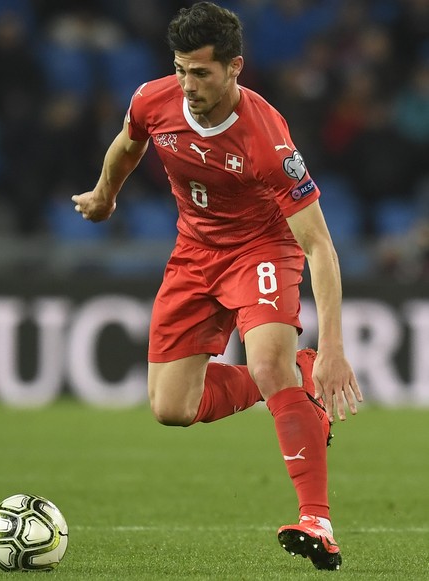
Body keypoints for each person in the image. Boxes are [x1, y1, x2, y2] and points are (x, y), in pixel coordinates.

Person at [72, 1, 363, 571]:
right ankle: (296, 375)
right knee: (172, 407)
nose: (188, 85)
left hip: (261, 250)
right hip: (193, 254)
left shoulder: (266, 140)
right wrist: (105, 195)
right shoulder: (153, 100)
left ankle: (316, 519)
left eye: (201, 73)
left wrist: (333, 347)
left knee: (269, 365)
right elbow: (128, 143)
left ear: (235, 68)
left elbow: (320, 247)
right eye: (181, 70)